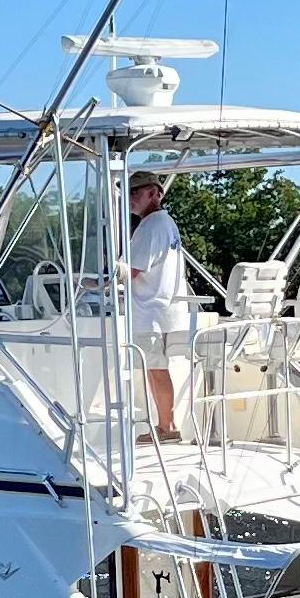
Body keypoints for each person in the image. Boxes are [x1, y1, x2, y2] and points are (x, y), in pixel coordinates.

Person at [125, 171, 187, 442]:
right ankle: (165, 425)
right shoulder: (166, 223)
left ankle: (167, 428)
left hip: (148, 312)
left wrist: (96, 282)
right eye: (130, 192)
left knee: (156, 369)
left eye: (137, 192)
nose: (131, 198)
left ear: (155, 193)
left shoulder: (150, 226)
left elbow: (133, 270)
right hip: (162, 310)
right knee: (156, 367)